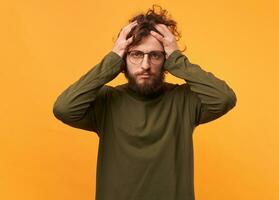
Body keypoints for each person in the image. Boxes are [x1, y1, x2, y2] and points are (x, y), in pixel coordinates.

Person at [53, 5, 237, 200]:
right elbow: (64, 108)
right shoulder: (107, 101)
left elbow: (224, 98)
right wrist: (113, 58)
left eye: (155, 55)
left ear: (165, 60)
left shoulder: (184, 100)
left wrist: (177, 58)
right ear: (125, 59)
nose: (145, 65)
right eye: (136, 54)